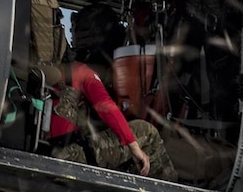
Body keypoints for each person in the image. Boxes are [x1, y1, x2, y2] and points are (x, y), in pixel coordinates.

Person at [42, 60, 171, 177]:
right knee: (147, 131)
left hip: (47, 153)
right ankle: (172, 190)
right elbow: (107, 108)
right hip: (69, 157)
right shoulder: (81, 71)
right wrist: (134, 147)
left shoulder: (48, 72)